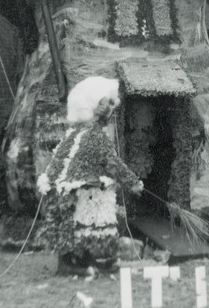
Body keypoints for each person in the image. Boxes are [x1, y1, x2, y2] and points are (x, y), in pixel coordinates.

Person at [36, 77, 143, 277]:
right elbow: (112, 164)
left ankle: (85, 260)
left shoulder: (73, 133)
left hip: (60, 190)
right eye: (110, 105)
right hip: (75, 191)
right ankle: (70, 264)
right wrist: (133, 183)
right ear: (98, 108)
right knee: (82, 223)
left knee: (78, 225)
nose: (113, 110)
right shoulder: (95, 136)